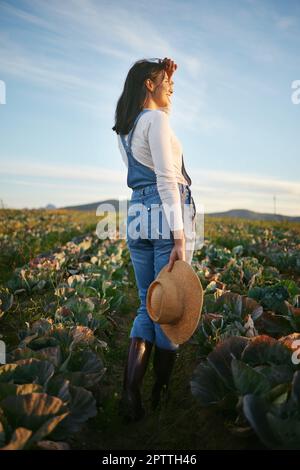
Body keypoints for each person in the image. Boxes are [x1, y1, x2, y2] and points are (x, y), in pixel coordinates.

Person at [112, 57, 197, 423]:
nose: (172, 90)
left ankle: (130, 395)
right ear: (149, 84)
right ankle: (161, 393)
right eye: (166, 84)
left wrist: (164, 76)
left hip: (136, 213)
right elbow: (166, 179)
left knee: (147, 303)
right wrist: (179, 236)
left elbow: (147, 170)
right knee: (172, 306)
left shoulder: (127, 128)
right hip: (164, 213)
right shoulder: (157, 121)